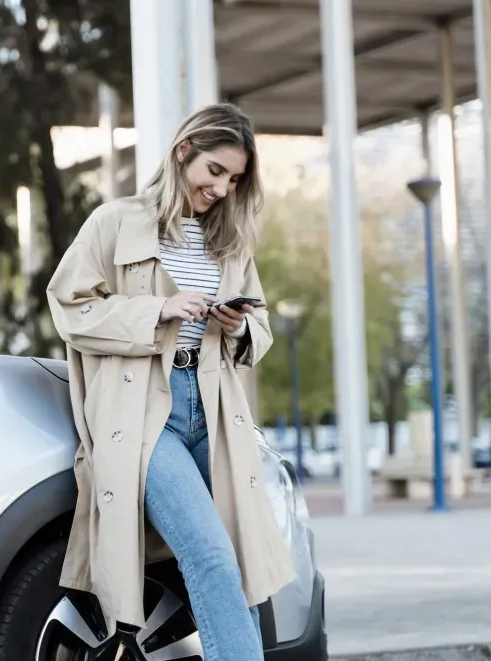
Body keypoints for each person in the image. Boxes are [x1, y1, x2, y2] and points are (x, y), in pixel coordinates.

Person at [47, 103, 295, 660]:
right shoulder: (115, 222)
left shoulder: (230, 239)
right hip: (143, 412)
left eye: (234, 179)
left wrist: (238, 326)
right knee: (208, 553)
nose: (224, 189)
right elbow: (69, 308)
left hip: (213, 405)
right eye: (215, 172)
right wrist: (161, 309)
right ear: (183, 151)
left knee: (241, 556)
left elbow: (261, 328)